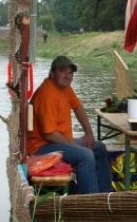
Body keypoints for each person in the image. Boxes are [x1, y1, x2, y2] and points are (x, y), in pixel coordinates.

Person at [27, 55, 113, 194]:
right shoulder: (46, 95)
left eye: (70, 72)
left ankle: (105, 195)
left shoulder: (65, 88)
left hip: (60, 141)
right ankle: (90, 202)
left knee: (99, 147)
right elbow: (49, 134)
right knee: (86, 155)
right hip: (41, 148)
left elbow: (78, 107)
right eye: (62, 71)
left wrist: (89, 133)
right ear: (52, 73)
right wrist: (72, 146)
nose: (68, 75)